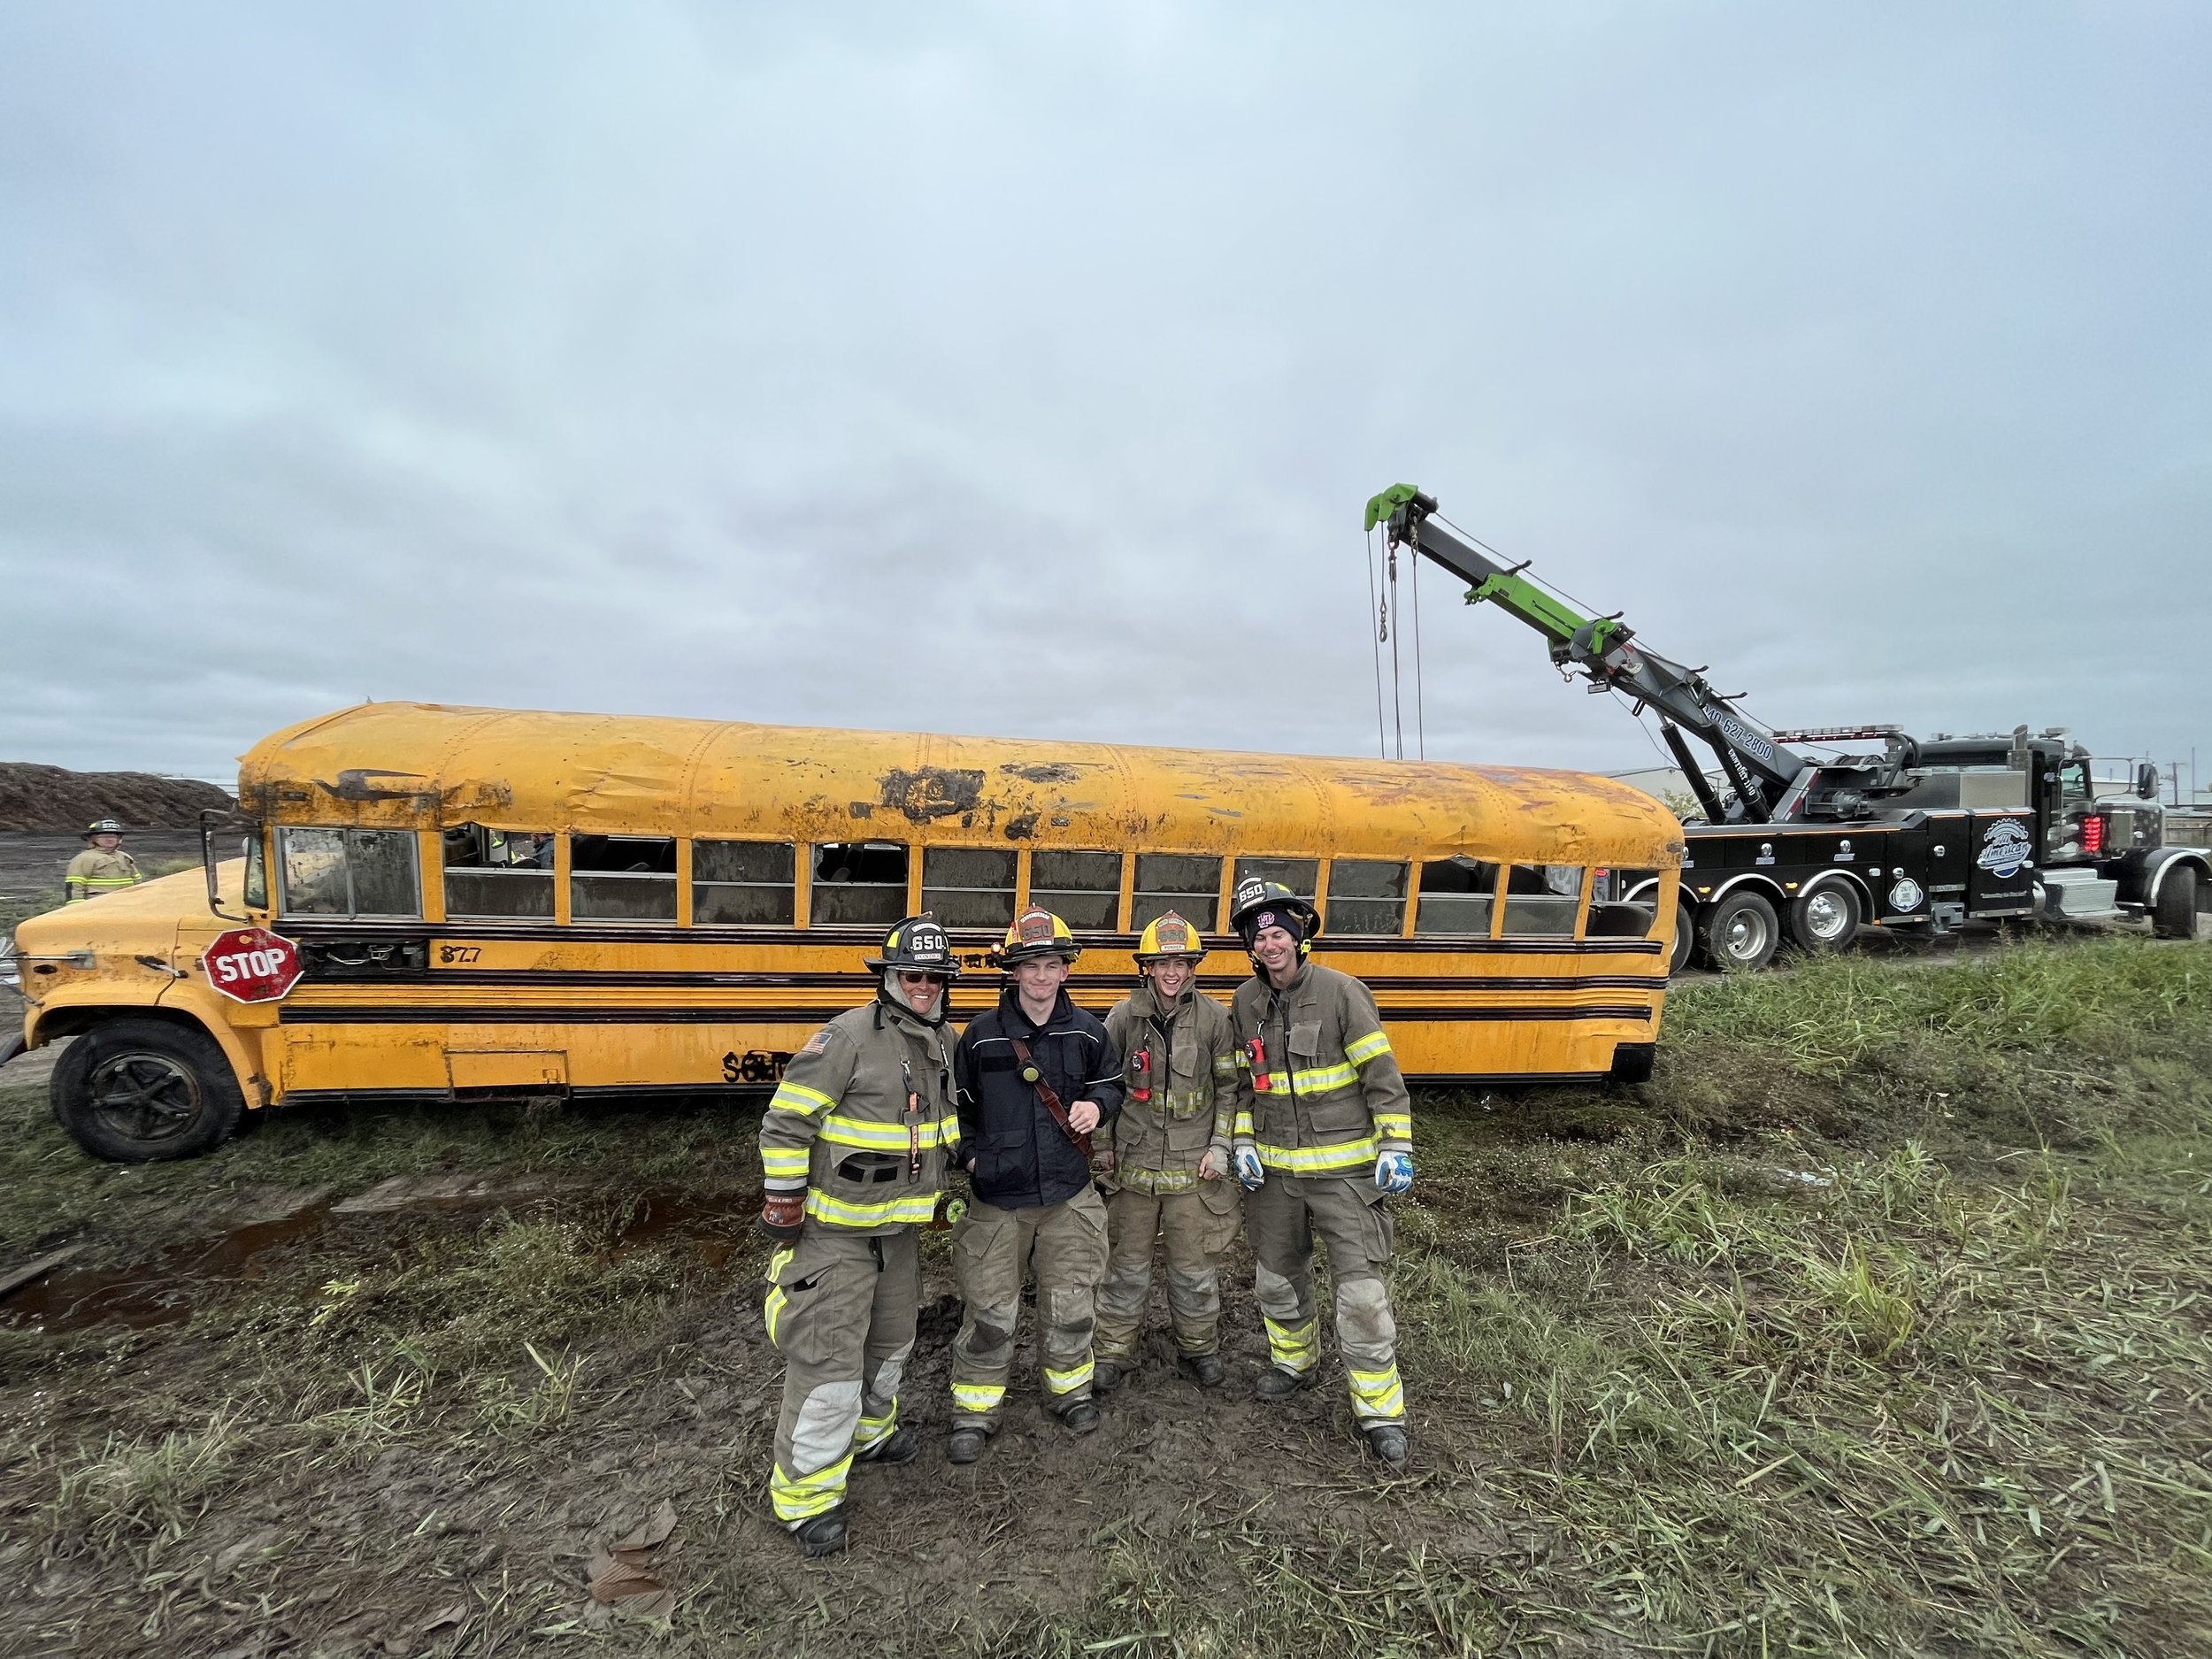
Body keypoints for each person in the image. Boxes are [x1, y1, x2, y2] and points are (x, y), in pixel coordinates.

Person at [756, 915, 964, 1557]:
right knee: (827, 1366)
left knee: (894, 1343)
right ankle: (808, 1498)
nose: (925, 985)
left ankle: (871, 1435)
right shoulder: (845, 1036)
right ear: (889, 977)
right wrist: (785, 1206)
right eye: (913, 975)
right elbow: (786, 1123)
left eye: (935, 976)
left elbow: (934, 1134)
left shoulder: (943, 1039)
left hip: (896, 1235)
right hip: (835, 1237)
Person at [1225, 876, 1416, 1466]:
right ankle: (1295, 1365)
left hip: (1345, 1178)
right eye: (1261, 938)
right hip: (1274, 1180)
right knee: (1276, 1282)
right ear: (1251, 947)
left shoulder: (1342, 993)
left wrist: (1395, 1145)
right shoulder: (1245, 1003)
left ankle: (1380, 1411)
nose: (1271, 945)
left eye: (1280, 933)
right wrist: (1240, 1141)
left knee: (1361, 1297)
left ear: (1299, 936)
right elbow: (1239, 1084)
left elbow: (1382, 1079)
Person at [946, 906, 1123, 1463]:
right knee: (990, 1310)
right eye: (1030, 966)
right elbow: (957, 1110)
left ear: (1066, 971)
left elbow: (1113, 1084)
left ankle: (1069, 1392)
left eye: (1051, 965)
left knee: (1071, 1302)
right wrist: (971, 1160)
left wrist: (1097, 1105)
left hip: (1069, 1197)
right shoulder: (979, 1037)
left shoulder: (1089, 1032)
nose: (1041, 977)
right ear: (1013, 973)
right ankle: (975, 1410)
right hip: (997, 1202)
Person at [1093, 910, 1241, 1391]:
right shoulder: (1122, 1018)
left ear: (1194, 967)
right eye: (1163, 963)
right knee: (1125, 1268)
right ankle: (1114, 1351)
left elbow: (1230, 1089)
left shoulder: (1217, 1020)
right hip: (1133, 1167)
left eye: (1181, 962)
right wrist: (1101, 1146)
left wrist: (1221, 1147)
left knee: (1193, 1268)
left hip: (1193, 1168)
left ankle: (1199, 1348)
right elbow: (1105, 1086)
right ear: (1147, 969)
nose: (1173, 972)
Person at [64, 819, 142, 903]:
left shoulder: (124, 857)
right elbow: (75, 884)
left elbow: (137, 880)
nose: (109, 839)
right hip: (98, 902)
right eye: (104, 836)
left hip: (126, 901)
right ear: (93, 839)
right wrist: (75, 905)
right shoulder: (85, 858)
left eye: (113, 836)